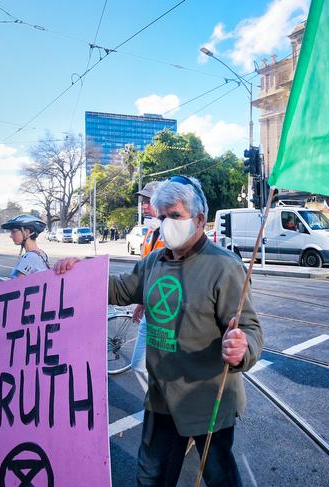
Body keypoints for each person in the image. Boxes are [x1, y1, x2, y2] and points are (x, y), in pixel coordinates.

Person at [55, 175, 263, 486]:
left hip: (208, 400)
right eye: (162, 217)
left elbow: (248, 327)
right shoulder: (153, 262)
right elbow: (121, 289)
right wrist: (80, 272)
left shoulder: (224, 266)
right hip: (161, 399)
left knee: (219, 476)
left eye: (175, 216)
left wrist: (241, 349)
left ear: (199, 219)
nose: (167, 224)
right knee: (151, 477)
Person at [131, 180, 163, 392]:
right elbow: (144, 271)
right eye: (143, 200)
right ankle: (158, 404)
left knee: (157, 367)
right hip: (150, 307)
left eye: (148, 201)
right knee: (139, 365)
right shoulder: (150, 233)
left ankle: (165, 409)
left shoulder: (173, 235)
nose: (143, 205)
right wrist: (141, 302)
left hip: (164, 312)